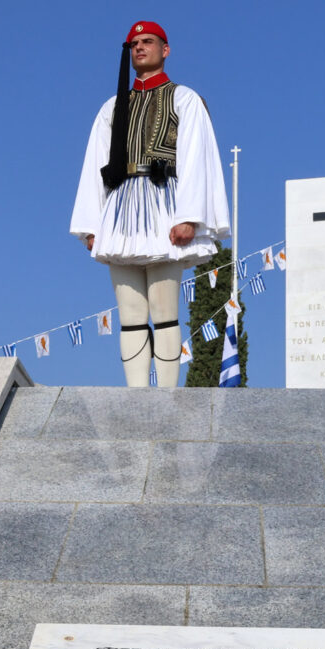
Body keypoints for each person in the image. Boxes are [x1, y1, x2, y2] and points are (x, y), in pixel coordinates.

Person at [70, 20, 229, 388]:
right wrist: (91, 225)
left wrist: (189, 216)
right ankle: (136, 396)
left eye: (148, 41)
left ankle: (167, 395)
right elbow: (96, 163)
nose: (140, 47)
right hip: (121, 208)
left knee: (164, 307)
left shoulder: (184, 98)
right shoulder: (112, 107)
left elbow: (196, 157)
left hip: (164, 205)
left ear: (165, 49)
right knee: (130, 313)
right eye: (134, 43)